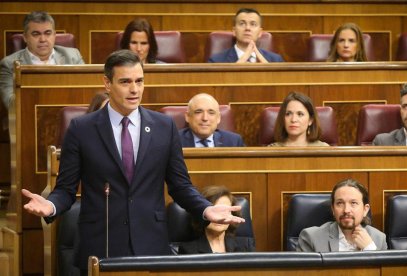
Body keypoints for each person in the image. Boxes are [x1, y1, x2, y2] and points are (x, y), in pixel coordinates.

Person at [21, 50, 244, 273]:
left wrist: (206, 210)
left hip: (150, 245)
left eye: (139, 81)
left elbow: (180, 186)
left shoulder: (163, 127)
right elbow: (66, 189)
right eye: (125, 81)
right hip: (101, 244)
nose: (134, 89)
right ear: (107, 83)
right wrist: (50, 206)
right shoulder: (82, 129)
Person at [0, 11, 84, 109]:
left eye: (48, 33)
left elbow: (84, 93)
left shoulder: (73, 56)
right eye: (36, 34)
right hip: (31, 116)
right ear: (25, 37)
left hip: (70, 115)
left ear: (54, 35)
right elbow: (11, 104)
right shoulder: (9, 64)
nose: (43, 39)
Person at [297, 179, 387, 252]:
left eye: (353, 203)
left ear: (365, 209)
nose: (346, 210)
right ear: (333, 209)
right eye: (340, 203)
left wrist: (370, 249)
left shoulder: (379, 238)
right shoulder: (311, 237)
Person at [179, 185, 255, 254]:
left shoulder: (245, 246)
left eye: (225, 211)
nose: (220, 217)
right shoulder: (188, 250)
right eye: (215, 211)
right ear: (203, 214)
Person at [208, 8, 284, 63]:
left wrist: (268, 69)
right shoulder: (216, 61)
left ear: (260, 32)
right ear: (234, 31)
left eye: (253, 24)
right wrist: (240, 63)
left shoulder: (276, 60)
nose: (247, 28)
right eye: (242, 24)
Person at [179, 93, 244, 147]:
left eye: (211, 113)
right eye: (198, 112)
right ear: (187, 116)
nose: (205, 118)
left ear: (218, 118)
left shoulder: (234, 141)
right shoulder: (174, 141)